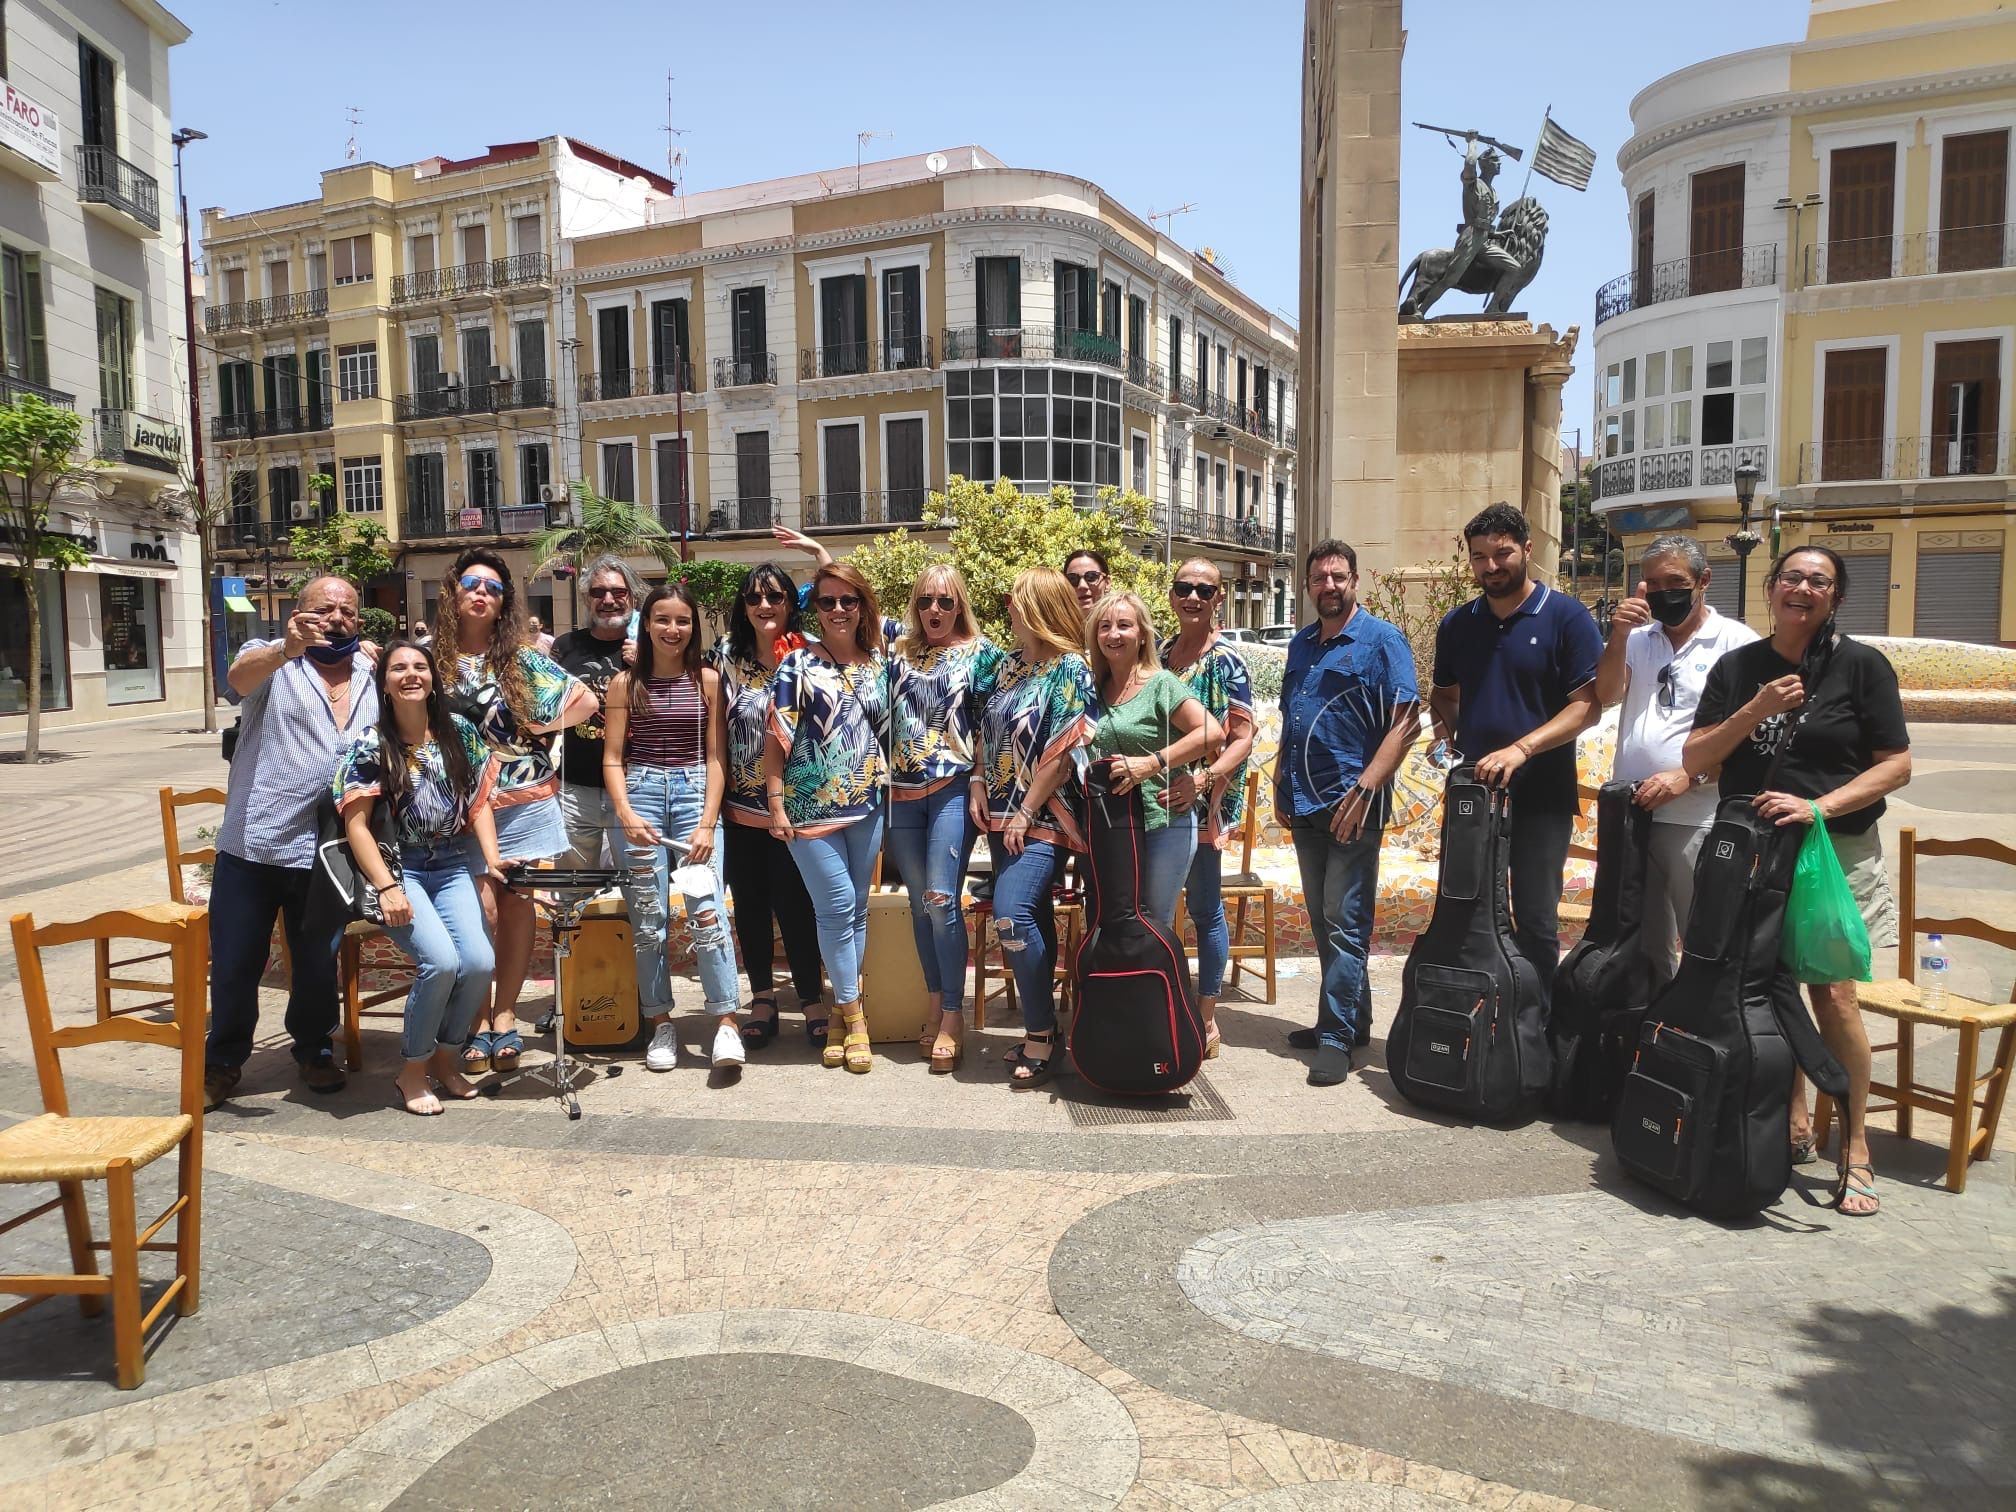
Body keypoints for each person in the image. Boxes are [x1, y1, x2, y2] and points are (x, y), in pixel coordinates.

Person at [1684, 545, 1910, 1218]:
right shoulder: (1739, 668)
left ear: (1834, 598)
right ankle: (1792, 1119)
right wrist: (1754, 709)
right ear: (1771, 587)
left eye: (1820, 581)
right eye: (1793, 577)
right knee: (1763, 991)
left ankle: (1858, 1145)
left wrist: (1819, 807)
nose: (1803, 588)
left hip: (1831, 852)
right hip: (1753, 857)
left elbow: (1895, 764)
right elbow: (1697, 758)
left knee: (1833, 996)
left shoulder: (1861, 667)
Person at [203, 575, 378, 1109]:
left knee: (316, 962)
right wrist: (288, 647)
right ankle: (224, 1060)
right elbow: (236, 677)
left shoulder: (372, 670)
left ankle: (313, 1048)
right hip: (254, 844)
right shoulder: (271, 656)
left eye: (347, 609)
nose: (336, 617)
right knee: (235, 961)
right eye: (324, 608)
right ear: (298, 613)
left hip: (325, 850)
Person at [1428, 502, 1603, 994]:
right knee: (1467, 909)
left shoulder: (1566, 617)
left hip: (1541, 798)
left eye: (1502, 553)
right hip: (1475, 797)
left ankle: (1535, 1035)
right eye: (1479, 556)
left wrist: (1522, 749)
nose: (1490, 566)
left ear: (1528, 550)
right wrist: (1444, 733)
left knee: (1535, 923)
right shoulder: (1457, 624)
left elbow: (1587, 707)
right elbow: (1445, 694)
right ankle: (1479, 1020)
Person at [437, 547, 599, 1074]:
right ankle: (475, 1018)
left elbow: (585, 701)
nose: (481, 593)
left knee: (515, 906)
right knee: (476, 910)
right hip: (456, 806)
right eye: (472, 583)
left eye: (493, 588)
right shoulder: (430, 657)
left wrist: (535, 727)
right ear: (454, 591)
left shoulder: (519, 659)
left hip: (522, 798)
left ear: (504, 602)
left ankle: (504, 1016)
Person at [334, 639, 507, 1115]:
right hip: (400, 865)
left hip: (451, 862)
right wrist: (387, 887)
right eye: (398, 669)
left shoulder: (460, 736)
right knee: (441, 962)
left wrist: (490, 864)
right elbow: (357, 825)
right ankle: (412, 1069)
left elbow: (478, 805)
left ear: (433, 679)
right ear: (384, 684)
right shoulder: (370, 744)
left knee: (477, 962)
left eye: (420, 667)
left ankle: (447, 1060)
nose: (411, 675)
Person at [1276, 541, 1421, 1084]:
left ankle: (1335, 1038)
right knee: (1322, 918)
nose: (1328, 585)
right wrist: (1278, 784)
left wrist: (1364, 790)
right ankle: (1350, 1020)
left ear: (1354, 580)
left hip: (1352, 804)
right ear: (1309, 585)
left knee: (1345, 922)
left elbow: (1406, 724)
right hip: (1305, 803)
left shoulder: (1382, 640)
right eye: (1319, 578)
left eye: (1338, 576)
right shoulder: (1302, 645)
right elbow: (1294, 718)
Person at [1595, 535, 1759, 985]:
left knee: (1703, 937)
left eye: (1675, 582)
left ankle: (1702, 1034)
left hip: (1695, 816)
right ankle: (1652, 1034)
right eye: (1651, 584)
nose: (1663, 592)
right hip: (1633, 812)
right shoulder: (1638, 640)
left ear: (1703, 580)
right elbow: (1607, 694)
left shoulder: (1737, 643)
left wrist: (1692, 775)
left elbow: (1749, 738)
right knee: (1644, 943)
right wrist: (1618, 635)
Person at [603, 583, 743, 1072]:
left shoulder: (707, 679)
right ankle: (661, 1022)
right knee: (648, 919)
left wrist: (707, 823)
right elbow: (613, 757)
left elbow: (717, 755)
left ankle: (726, 1021)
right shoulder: (624, 683)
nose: (672, 629)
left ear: (693, 627)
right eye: (662, 619)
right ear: (647, 625)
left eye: (682, 620)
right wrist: (624, 811)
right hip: (640, 794)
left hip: (693, 795)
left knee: (707, 912)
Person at [971, 566, 1099, 1088]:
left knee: (1012, 915)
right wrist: (979, 780)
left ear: (1041, 608)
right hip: (1001, 816)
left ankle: (1043, 1031)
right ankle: (1039, 1029)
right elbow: (983, 728)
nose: (1009, 608)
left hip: (1045, 817)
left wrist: (1026, 810)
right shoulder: (1006, 666)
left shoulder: (1072, 670)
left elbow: (1065, 751)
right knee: (1033, 916)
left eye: (1017, 600)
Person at [765, 563, 890, 1075]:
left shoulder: (881, 660)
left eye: (847, 600)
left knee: (855, 910)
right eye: (825, 601)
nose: (837, 610)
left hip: (868, 802)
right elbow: (775, 739)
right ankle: (857, 1018)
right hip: (810, 805)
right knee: (836, 906)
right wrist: (775, 803)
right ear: (812, 609)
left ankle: (839, 1015)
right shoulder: (796, 665)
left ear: (862, 605)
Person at [886, 564, 998, 1073]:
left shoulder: (983, 653)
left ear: (960, 605)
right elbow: (848, 609)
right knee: (918, 904)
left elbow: (993, 721)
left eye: (946, 602)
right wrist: (821, 553)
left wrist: (978, 776)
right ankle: (935, 1003)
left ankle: (952, 1016)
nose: (935, 610)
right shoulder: (899, 649)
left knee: (940, 899)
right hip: (902, 792)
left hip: (952, 787)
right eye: (926, 600)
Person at [713, 562, 829, 1050]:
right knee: (752, 906)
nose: (765, 606)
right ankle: (762, 998)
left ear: (790, 603)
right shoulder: (725, 658)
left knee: (797, 905)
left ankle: (811, 999)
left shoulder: (808, 655)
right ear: (744, 606)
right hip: (740, 807)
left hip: (797, 807)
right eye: (755, 598)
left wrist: (818, 553)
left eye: (775, 596)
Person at [1162, 558, 1258, 1057]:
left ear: (1219, 598)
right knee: (1158, 908)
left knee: (1203, 908)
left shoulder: (1228, 662)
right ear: (1172, 593)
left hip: (1204, 804)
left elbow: (1243, 736)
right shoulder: (1159, 654)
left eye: (1204, 589)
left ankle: (1207, 1016)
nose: (1193, 597)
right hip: (1157, 803)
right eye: (1184, 588)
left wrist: (1203, 779)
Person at [1086, 590, 1219, 928]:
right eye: (1104, 626)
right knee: (1116, 920)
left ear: (1142, 634)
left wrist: (1152, 763)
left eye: (1124, 625)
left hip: (1164, 822)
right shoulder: (1094, 689)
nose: (1113, 634)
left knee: (1152, 922)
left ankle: (1162, 982)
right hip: (1113, 826)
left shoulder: (1161, 684)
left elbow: (1211, 734)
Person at [551, 555, 641, 867]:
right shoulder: (565, 646)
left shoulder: (654, 647)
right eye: (598, 592)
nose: (608, 600)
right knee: (570, 888)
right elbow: (547, 711)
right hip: (575, 789)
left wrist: (646, 664)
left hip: (636, 790)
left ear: (632, 597)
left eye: (618, 592)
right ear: (587, 599)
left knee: (640, 885)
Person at [1063, 549, 1110, 619]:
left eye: (1091, 576)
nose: (1082, 585)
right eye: (1072, 579)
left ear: (1107, 583)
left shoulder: (1122, 627)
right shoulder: (1055, 628)